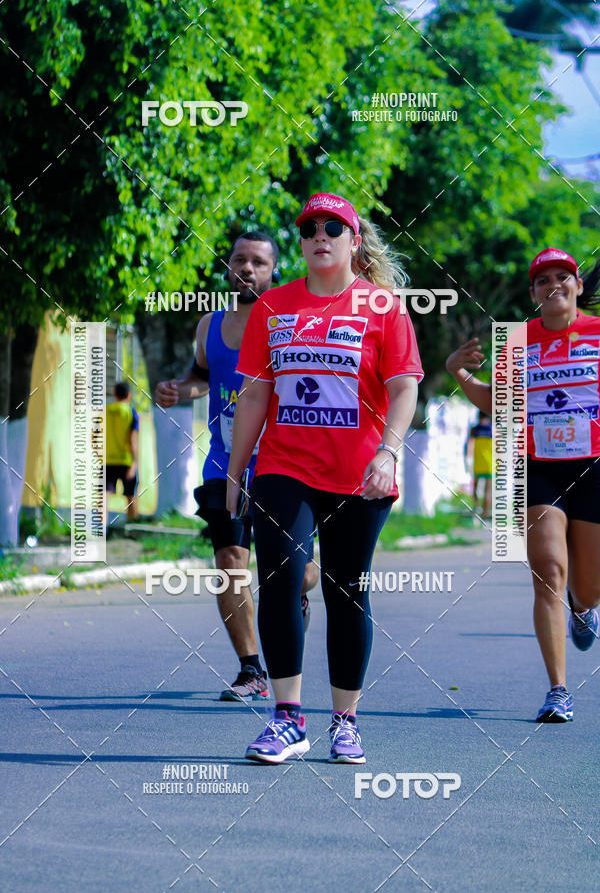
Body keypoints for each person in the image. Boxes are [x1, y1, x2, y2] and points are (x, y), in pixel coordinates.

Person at [227, 193, 423, 763]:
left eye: (333, 227)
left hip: (361, 474)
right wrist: (236, 472)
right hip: (284, 467)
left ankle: (345, 721)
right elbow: (255, 395)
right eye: (310, 227)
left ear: (354, 241)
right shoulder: (273, 306)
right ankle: (287, 717)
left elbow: (404, 388)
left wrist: (388, 453)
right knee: (281, 577)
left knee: (346, 591)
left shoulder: (383, 308)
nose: (320, 235)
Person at [155, 231, 318, 703]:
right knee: (230, 563)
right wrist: (178, 389)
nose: (247, 268)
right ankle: (251, 669)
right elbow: (201, 376)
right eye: (239, 260)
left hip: (284, 464)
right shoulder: (209, 324)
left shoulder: (291, 323)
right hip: (224, 465)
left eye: (258, 262)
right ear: (228, 267)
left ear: (274, 271)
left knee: (296, 572)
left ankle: (299, 587)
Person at [446, 247, 600, 723]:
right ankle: (558, 690)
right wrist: (457, 371)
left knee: (589, 587)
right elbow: (498, 401)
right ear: (534, 293)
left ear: (577, 285)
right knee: (549, 570)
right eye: (542, 280)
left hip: (594, 468)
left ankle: (583, 607)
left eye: (562, 276)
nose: (553, 285)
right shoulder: (518, 342)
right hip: (537, 469)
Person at [106, 380, 139, 523]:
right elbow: (132, 439)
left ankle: (101, 528)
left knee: (104, 495)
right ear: (129, 395)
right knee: (131, 495)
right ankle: (132, 526)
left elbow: (94, 437)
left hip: (107, 460)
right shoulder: (131, 412)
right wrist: (134, 462)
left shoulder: (105, 411)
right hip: (126, 460)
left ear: (114, 394)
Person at [466, 411, 492, 519]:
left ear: (479, 416)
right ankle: (485, 513)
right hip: (490, 462)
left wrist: (467, 458)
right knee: (487, 490)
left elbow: (469, 445)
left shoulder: (475, 429)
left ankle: (477, 508)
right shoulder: (493, 428)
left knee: (475, 487)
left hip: (479, 462)